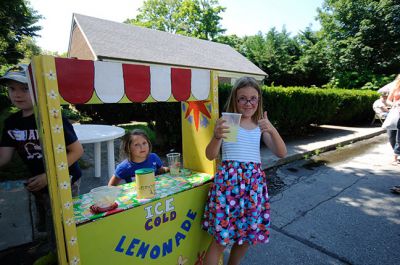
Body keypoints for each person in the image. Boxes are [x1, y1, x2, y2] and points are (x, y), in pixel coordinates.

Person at [0, 64, 84, 264]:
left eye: (25, 88)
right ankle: (55, 251)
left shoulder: (52, 116)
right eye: (12, 89)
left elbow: (77, 151)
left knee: (65, 220)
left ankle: (69, 254)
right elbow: (3, 158)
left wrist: (50, 176)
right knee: (50, 219)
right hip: (40, 184)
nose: (17, 94)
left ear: (38, 89)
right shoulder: (12, 123)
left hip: (66, 180)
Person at [201, 77, 287, 265]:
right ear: (235, 100)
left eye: (253, 98)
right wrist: (216, 136)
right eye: (243, 99)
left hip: (253, 188)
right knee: (220, 241)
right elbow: (210, 155)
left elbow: (281, 153)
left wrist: (271, 129)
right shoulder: (229, 122)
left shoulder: (260, 126)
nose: (248, 103)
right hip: (228, 187)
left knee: (246, 237)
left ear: (259, 100)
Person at [387, 74, 400, 194]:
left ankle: (396, 157)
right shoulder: (396, 86)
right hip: (395, 114)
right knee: (391, 136)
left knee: (399, 139)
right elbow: (388, 100)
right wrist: (394, 104)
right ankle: (396, 153)